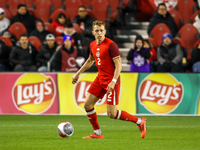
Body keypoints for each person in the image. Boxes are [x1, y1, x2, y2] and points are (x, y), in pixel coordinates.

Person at [72, 20, 146, 139]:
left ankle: (139, 121)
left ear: (105, 31)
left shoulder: (111, 45)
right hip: (100, 79)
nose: (99, 33)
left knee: (111, 114)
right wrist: (78, 73)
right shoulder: (92, 45)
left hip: (112, 80)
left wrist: (113, 81)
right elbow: (90, 61)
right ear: (93, 32)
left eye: (101, 30)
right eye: (97, 31)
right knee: (87, 105)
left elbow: (119, 65)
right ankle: (97, 133)